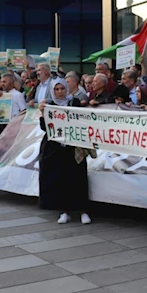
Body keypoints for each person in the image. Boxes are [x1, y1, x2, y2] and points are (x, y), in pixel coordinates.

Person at [37, 77, 91, 225]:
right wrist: (42, 114)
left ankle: (83, 211)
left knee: (78, 178)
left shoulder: (74, 102)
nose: (60, 92)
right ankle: (64, 211)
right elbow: (45, 127)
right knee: (61, 180)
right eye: (56, 89)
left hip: (74, 147)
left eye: (62, 89)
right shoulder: (50, 105)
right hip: (57, 148)